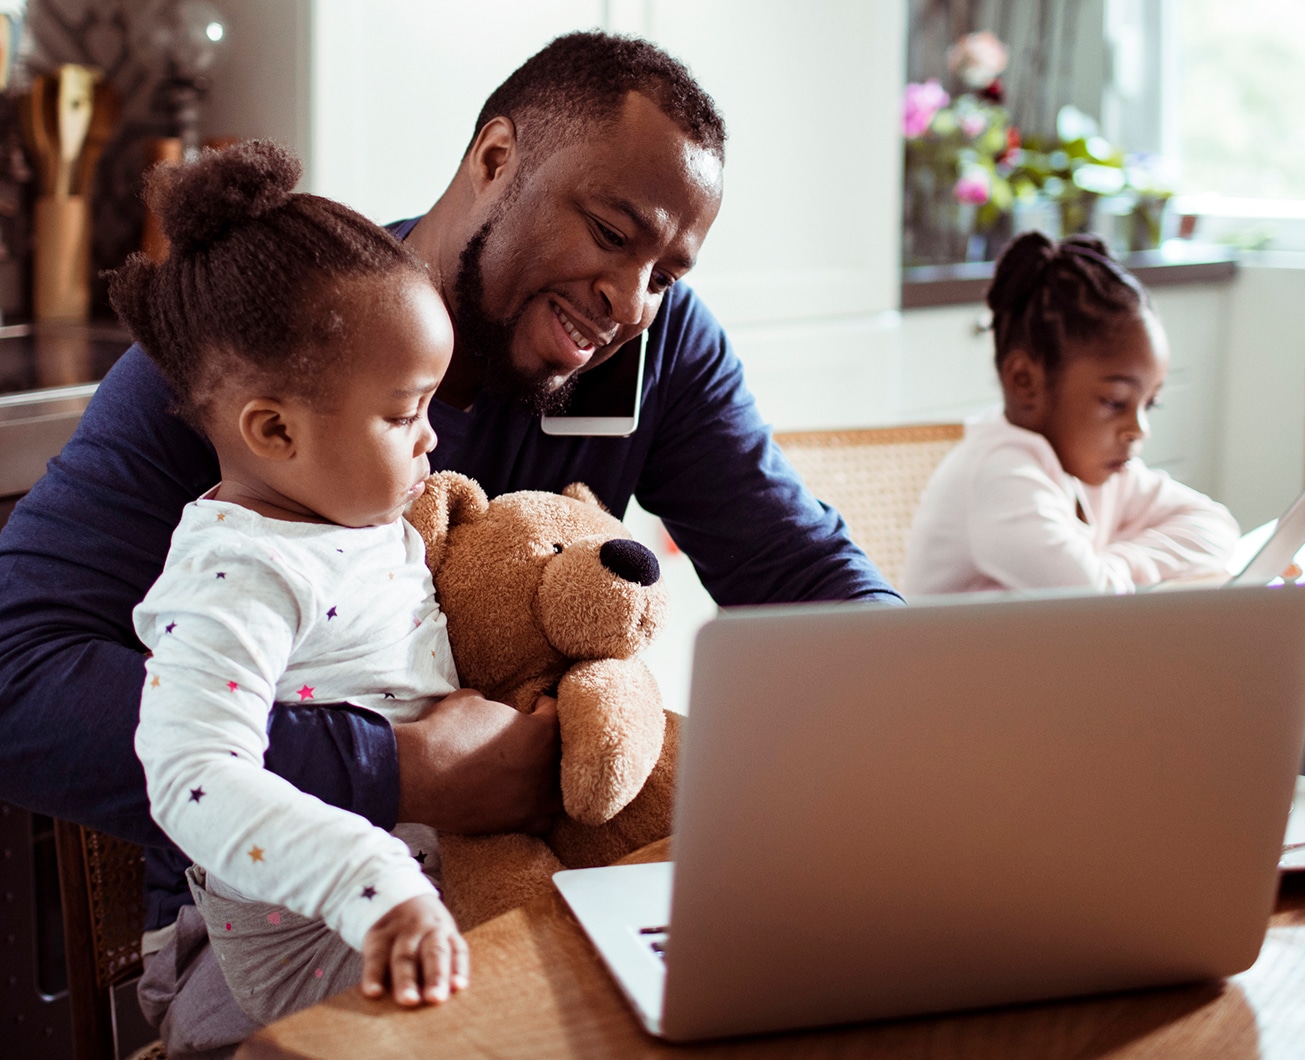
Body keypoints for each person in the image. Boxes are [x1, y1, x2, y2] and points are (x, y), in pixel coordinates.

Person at [0, 32, 896, 1056]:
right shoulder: (266, 356)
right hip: (289, 926)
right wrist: (393, 767)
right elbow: (16, 683)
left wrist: (948, 715)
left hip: (519, 875)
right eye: (610, 231)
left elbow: (802, 573)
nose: (629, 300)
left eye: (666, 271)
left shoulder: (657, 350)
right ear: (495, 160)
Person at [122, 140, 473, 1028]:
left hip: (429, 892)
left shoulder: (346, 518)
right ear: (274, 431)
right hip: (320, 942)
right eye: (403, 415)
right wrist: (374, 882)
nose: (430, 439)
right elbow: (193, 773)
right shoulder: (238, 572)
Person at [903, 233, 1239, 595]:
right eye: (1115, 402)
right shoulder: (998, 475)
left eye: (1149, 404)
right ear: (1025, 381)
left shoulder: (1096, 470)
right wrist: (1113, 571)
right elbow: (1093, 598)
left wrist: (1119, 563)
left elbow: (1216, 526)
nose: (1139, 430)